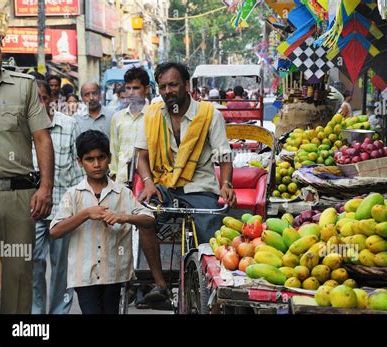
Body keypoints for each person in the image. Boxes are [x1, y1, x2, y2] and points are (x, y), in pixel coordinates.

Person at [135, 62, 236, 302]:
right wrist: (148, 183)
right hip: (164, 186)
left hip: (199, 187)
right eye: (163, 87)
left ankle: (212, 284)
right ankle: (159, 284)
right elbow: (141, 156)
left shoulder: (209, 114)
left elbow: (223, 155)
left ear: (186, 85)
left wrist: (226, 183)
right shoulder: (151, 115)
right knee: (142, 216)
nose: (168, 91)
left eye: (173, 84)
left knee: (213, 234)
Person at [49, 130, 155, 314]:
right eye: (90, 159)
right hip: (84, 276)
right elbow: (55, 230)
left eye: (101, 157)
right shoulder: (73, 195)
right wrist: (85, 214)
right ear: (80, 162)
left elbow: (149, 219)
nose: (97, 164)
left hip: (114, 273)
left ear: (110, 158)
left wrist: (124, 217)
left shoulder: (122, 193)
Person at [0, 30, 54, 314]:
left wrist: (45, 188)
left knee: (18, 275)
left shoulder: (24, 87)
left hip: (17, 196)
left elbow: (42, 138)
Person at [31, 81, 84, 314]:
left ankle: (58, 313)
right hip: (32, 210)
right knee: (33, 264)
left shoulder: (69, 125)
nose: (40, 103)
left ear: (51, 99)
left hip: (63, 210)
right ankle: (36, 314)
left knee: (62, 266)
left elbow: (80, 167)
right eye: (35, 99)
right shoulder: (23, 129)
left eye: (43, 98)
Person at [110, 67, 150, 184]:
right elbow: (114, 152)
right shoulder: (117, 117)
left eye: (136, 88)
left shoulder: (154, 116)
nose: (131, 92)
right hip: (121, 182)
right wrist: (114, 178)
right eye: (128, 88)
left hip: (147, 182)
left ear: (146, 89)